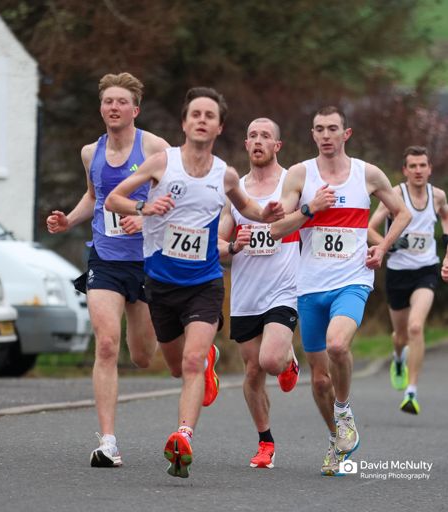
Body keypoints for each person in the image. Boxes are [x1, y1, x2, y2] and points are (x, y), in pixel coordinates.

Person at [105, 87, 284, 478]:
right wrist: (145, 206)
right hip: (161, 283)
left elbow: (249, 208)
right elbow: (113, 200)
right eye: (196, 114)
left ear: (219, 127)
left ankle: (183, 437)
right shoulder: (161, 163)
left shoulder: (226, 174)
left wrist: (267, 213)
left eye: (210, 115)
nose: (202, 120)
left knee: (190, 362)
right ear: (185, 123)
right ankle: (207, 364)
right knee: (175, 366)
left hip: (205, 283)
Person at [270, 106, 411, 476]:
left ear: (346, 134)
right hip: (309, 286)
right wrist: (309, 209)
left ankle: (344, 411)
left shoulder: (368, 174)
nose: (326, 135)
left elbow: (403, 213)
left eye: (333, 128)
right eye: (319, 129)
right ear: (313, 134)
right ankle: (337, 439)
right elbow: (277, 229)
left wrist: (382, 247)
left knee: (337, 345)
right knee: (319, 381)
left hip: (352, 280)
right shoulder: (300, 174)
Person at [46, 72, 169, 467]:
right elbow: (94, 196)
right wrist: (69, 220)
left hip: (147, 260)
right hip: (105, 259)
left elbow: (178, 199)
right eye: (107, 101)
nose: (113, 107)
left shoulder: (155, 148)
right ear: (101, 108)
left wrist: (145, 218)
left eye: (121, 102)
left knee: (143, 356)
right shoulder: (90, 152)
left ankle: (202, 354)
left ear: (135, 109)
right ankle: (109, 442)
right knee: (106, 345)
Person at [218, 117, 300, 469]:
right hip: (246, 295)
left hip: (284, 288)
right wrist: (233, 246)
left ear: (277, 145)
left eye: (265, 136)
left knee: (269, 360)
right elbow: (217, 246)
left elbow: (309, 221)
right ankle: (265, 441)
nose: (258, 141)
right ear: (245, 144)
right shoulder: (236, 192)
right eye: (252, 135)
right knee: (253, 372)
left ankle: (286, 359)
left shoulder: (291, 183)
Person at [368, 146, 448, 415]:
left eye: (422, 165)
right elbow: (369, 228)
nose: (418, 170)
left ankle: (411, 392)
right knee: (400, 336)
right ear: (405, 170)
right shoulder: (395, 195)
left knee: (415, 327)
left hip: (426, 270)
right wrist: (388, 244)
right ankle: (398, 357)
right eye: (412, 166)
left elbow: (446, 218)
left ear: (429, 169)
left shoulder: (438, 196)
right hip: (398, 273)